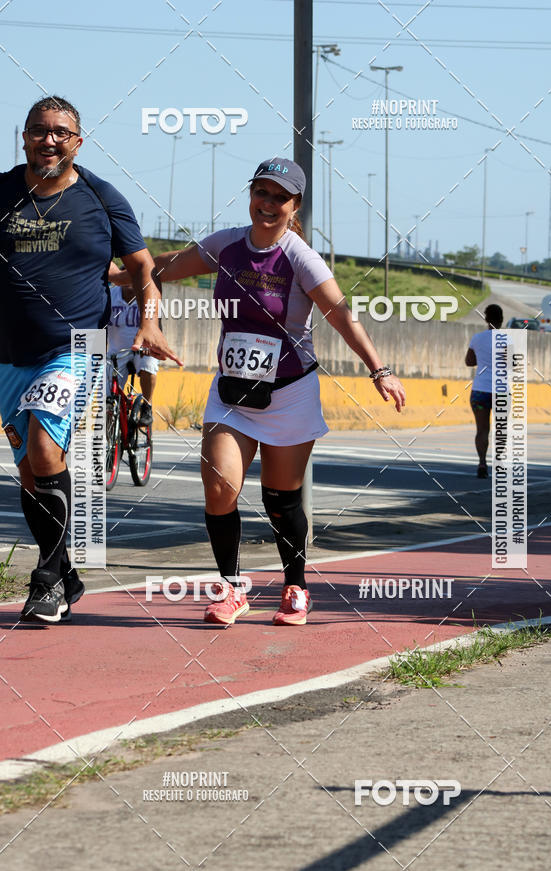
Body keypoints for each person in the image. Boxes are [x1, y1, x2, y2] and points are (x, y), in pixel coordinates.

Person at [115, 156, 406, 626]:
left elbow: (341, 316)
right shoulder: (226, 244)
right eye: (262, 193)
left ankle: (296, 585)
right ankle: (231, 589)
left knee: (281, 499)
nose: (268, 204)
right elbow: (168, 266)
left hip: (290, 391)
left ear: (295, 207)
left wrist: (380, 370)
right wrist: (119, 275)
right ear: (251, 195)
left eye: (280, 198)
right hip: (232, 392)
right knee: (219, 486)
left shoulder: (300, 258)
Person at [0, 95, 180, 625]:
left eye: (60, 131)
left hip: (75, 347)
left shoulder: (102, 199)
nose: (48, 139)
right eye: (39, 130)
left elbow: (143, 269)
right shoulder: (2, 193)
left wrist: (148, 323)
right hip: (9, 355)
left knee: (43, 446)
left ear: (77, 141)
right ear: (25, 137)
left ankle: (47, 582)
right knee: (32, 473)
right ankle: (68, 573)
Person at [106, 283, 159, 426]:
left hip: (142, 350)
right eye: (125, 276)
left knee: (149, 364)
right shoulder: (110, 296)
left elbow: (157, 326)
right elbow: (100, 325)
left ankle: (147, 406)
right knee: (107, 399)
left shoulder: (147, 296)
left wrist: (151, 346)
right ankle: (112, 439)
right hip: (116, 352)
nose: (129, 281)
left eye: (132, 277)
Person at [465, 303, 503, 478]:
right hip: (501, 392)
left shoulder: (477, 338)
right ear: (501, 320)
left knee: (482, 430)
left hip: (480, 391)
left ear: (486, 319)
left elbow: (469, 361)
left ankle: (482, 463)